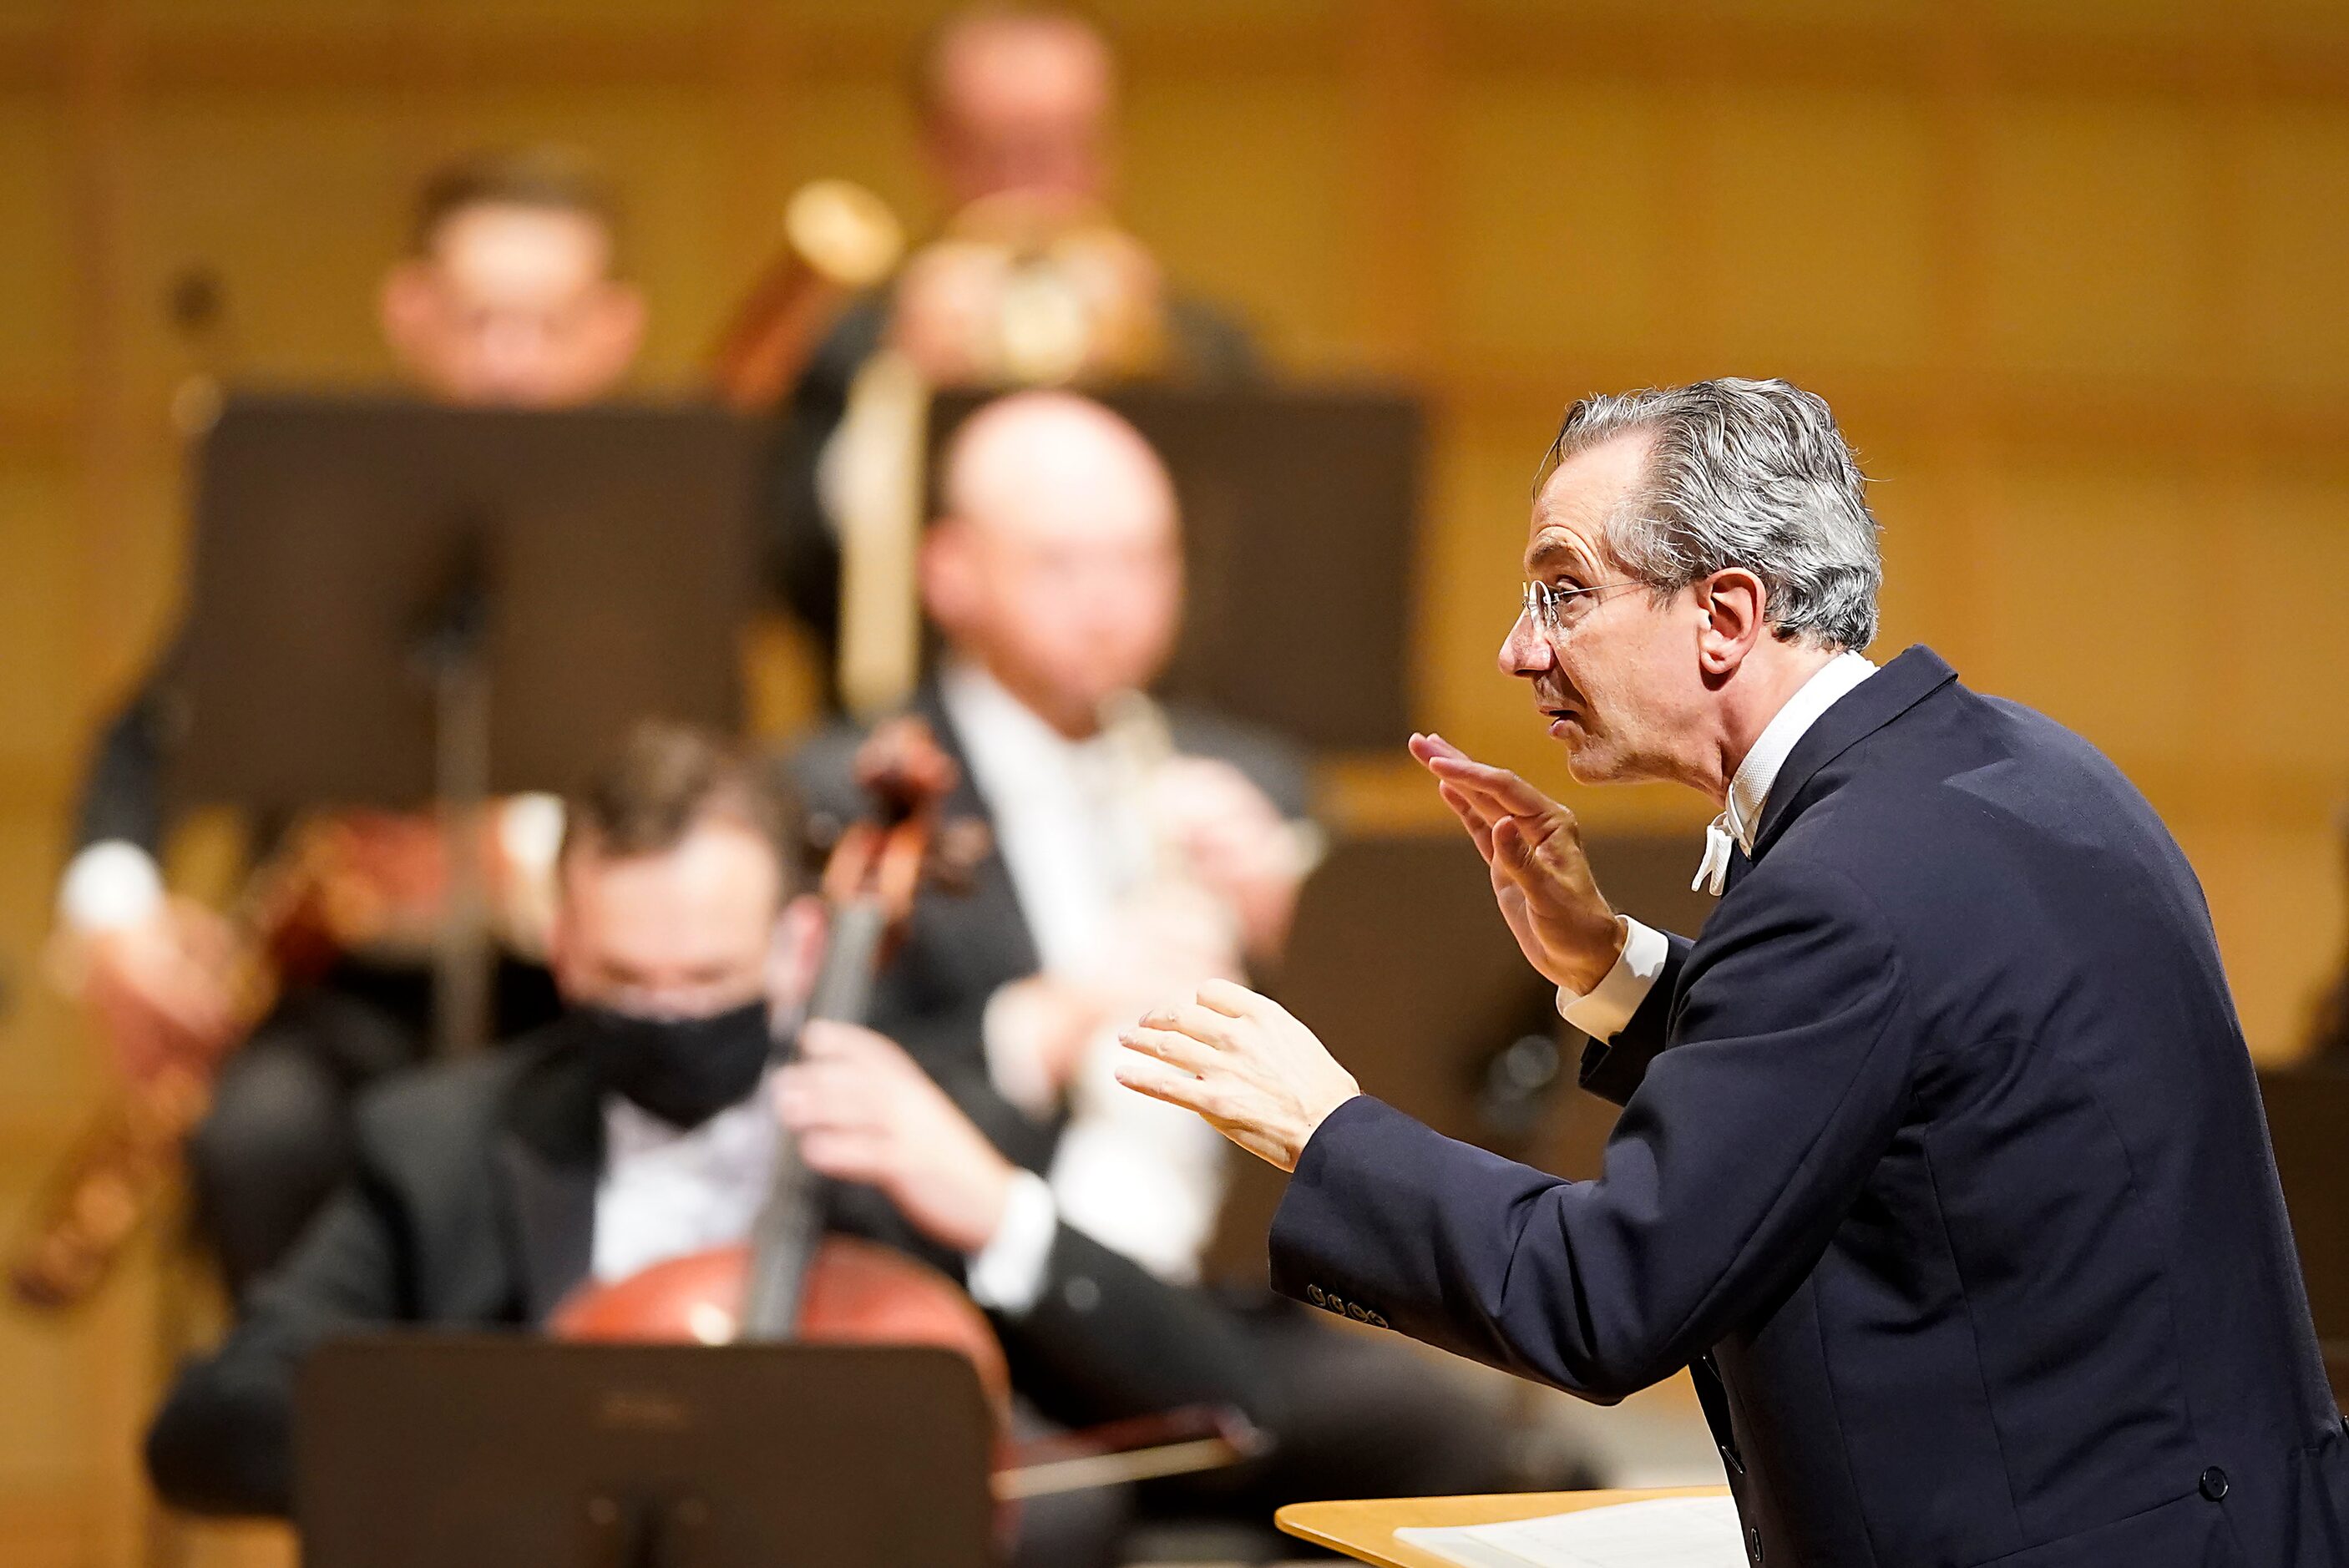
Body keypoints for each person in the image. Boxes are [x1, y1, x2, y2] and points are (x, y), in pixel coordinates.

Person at [1120, 378, 2349, 1566]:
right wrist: (1612, 968)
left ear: (1724, 613)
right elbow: (1890, 1078)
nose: (1513, 649)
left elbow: (1606, 1297)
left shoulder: (1841, 883)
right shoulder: (2032, 768)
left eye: (1563, 592)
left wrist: (1323, 1128)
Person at [143, 721, 1278, 1568]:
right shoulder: (442, 1143)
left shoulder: (926, 1121)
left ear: (797, 945)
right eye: (629, 979)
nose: (672, 1014)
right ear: (567, 947)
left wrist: (995, 1207)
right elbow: (210, 1427)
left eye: (708, 979)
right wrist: (531, 1443)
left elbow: (1219, 1402)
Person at [790, 390, 1538, 1546]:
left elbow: (1401, 1076)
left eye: (1143, 559)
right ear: (947, 571)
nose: (1110, 601)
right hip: (988, 1295)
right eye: (1061, 562)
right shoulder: (847, 789)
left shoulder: (1256, 777)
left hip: (1225, 1291)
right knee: (1054, 1516)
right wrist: (1039, 1022)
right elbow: (808, 1083)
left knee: (1465, 1441)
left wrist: (1296, 925)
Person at [54, 145, 646, 1293]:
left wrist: (508, 858)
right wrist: (120, 924)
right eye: (479, 320)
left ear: (614, 329)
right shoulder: (308, 518)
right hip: (338, 1004)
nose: (511, 364)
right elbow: (140, 744)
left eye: (549, 323)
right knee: (258, 1131)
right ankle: (307, 1459)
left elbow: (704, 790)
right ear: (410, 314)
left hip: (574, 999)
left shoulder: (662, 533)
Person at [756, 3, 1258, 698]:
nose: (1035, 183)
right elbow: (791, 579)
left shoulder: (1203, 346)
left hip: (1163, 728)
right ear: (934, 149)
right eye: (1002, 148)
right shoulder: (854, 345)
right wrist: (896, 389)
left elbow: (1263, 577)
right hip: (916, 743)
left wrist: (1159, 375)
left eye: (1065, 143)